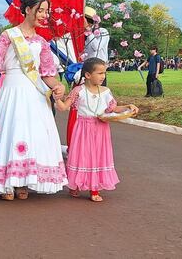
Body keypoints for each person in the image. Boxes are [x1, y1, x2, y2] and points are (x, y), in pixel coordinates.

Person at [0, 0, 67, 200]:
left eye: (47, 11)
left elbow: (47, 73)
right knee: (12, 131)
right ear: (28, 10)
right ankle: (7, 183)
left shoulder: (43, 42)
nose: (45, 15)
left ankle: (24, 181)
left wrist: (58, 87)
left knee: (32, 133)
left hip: (35, 94)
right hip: (12, 89)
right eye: (41, 10)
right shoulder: (8, 36)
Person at [55, 57, 138, 202]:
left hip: (101, 129)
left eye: (104, 73)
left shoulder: (106, 92)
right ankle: (75, 185)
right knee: (82, 155)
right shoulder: (78, 91)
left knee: (98, 156)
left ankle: (94, 188)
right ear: (87, 75)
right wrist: (56, 98)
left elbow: (113, 108)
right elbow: (64, 107)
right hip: (83, 129)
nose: (103, 76)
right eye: (99, 73)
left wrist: (128, 107)